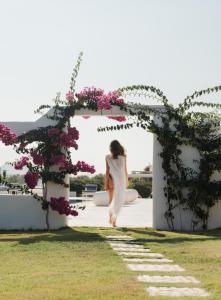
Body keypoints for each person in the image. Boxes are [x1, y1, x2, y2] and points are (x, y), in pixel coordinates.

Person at [105, 140, 128, 227]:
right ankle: (114, 221)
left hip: (111, 179)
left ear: (111, 148)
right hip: (120, 180)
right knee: (118, 201)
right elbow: (125, 170)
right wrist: (126, 181)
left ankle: (110, 218)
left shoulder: (107, 157)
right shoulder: (123, 157)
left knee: (111, 200)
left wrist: (106, 182)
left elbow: (107, 171)